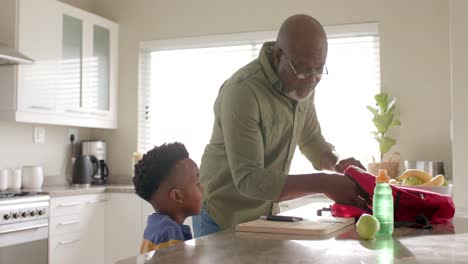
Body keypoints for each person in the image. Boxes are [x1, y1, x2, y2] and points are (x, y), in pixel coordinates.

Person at [193, 14, 371, 237]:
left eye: (319, 70)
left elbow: (312, 141)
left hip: (262, 216)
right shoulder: (243, 92)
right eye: (303, 70)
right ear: (279, 56)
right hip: (221, 216)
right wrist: (325, 183)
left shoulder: (303, 84)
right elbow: (249, 179)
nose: (310, 80)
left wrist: (337, 163)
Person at [133, 142, 203, 253]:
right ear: (177, 195)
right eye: (198, 183)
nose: (203, 188)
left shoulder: (156, 225)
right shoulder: (169, 233)